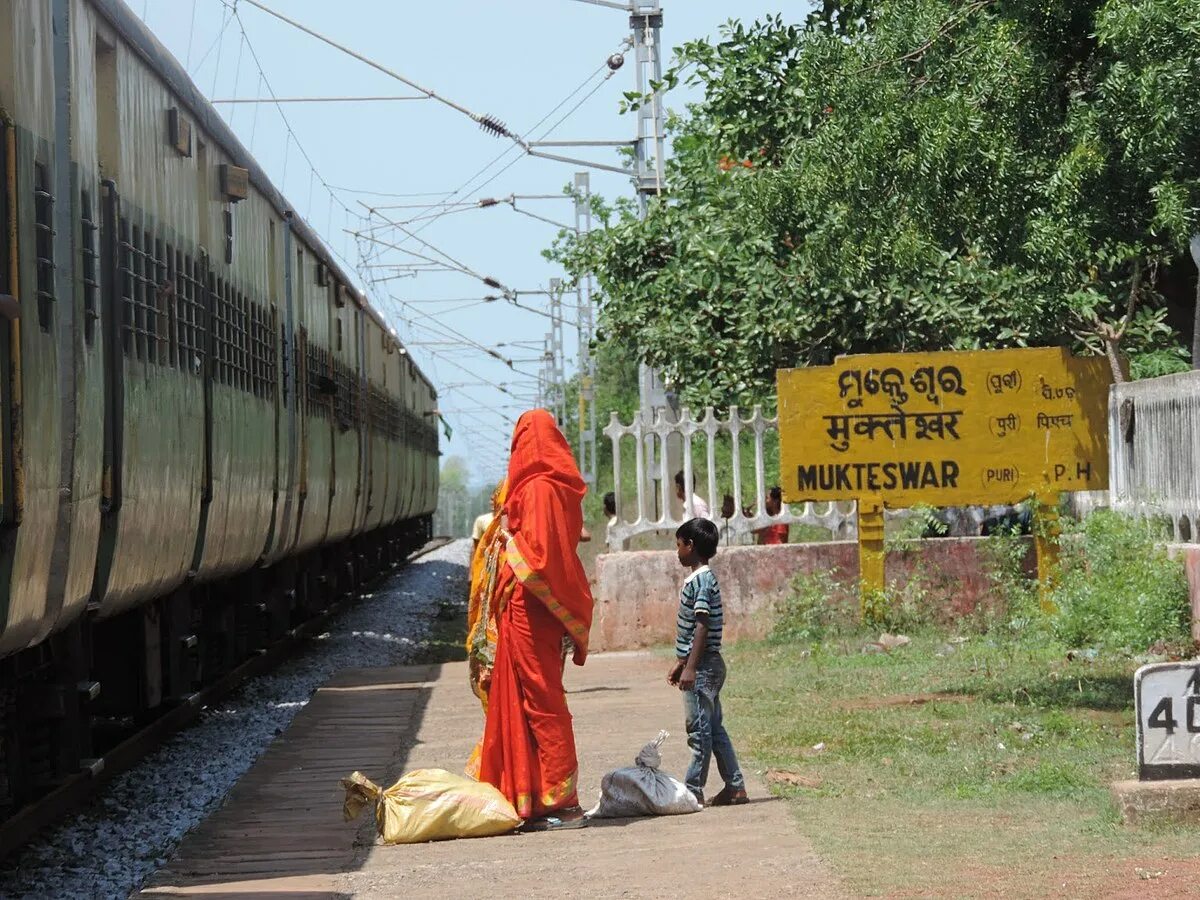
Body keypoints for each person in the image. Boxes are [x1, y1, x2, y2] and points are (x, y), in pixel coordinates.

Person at [477, 410, 594, 829]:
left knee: (541, 700)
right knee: (530, 700)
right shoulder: (551, 487)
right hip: (530, 609)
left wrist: (506, 541)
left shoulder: (542, 489)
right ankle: (533, 797)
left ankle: (562, 801)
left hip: (532, 609)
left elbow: (539, 557)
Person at [668, 518, 748, 807]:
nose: (676, 551)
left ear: (690, 545)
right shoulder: (701, 578)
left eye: (678, 545)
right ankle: (735, 786)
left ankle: (693, 789)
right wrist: (681, 663)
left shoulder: (700, 580)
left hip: (703, 667)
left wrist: (690, 667)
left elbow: (701, 623)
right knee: (714, 729)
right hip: (706, 664)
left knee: (699, 731)